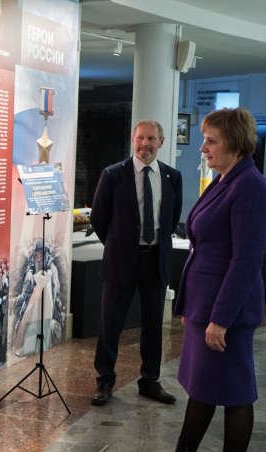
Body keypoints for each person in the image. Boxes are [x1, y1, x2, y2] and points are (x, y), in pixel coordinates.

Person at [147, 107, 266, 452]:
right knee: (201, 386)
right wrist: (191, 307)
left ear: (234, 143)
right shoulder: (223, 180)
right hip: (205, 305)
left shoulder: (250, 185)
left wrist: (220, 318)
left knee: (236, 396)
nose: (202, 147)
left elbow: (245, 261)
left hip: (227, 313)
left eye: (210, 140)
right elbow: (204, 244)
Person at [90, 120, 183, 406]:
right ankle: (104, 381)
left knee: (154, 325)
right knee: (110, 325)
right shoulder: (113, 174)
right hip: (121, 262)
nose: (146, 143)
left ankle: (149, 381)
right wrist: (118, 246)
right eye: (140, 137)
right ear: (133, 139)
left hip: (156, 261)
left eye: (152, 138)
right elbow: (98, 218)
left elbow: (171, 218)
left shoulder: (172, 177)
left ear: (161, 142)